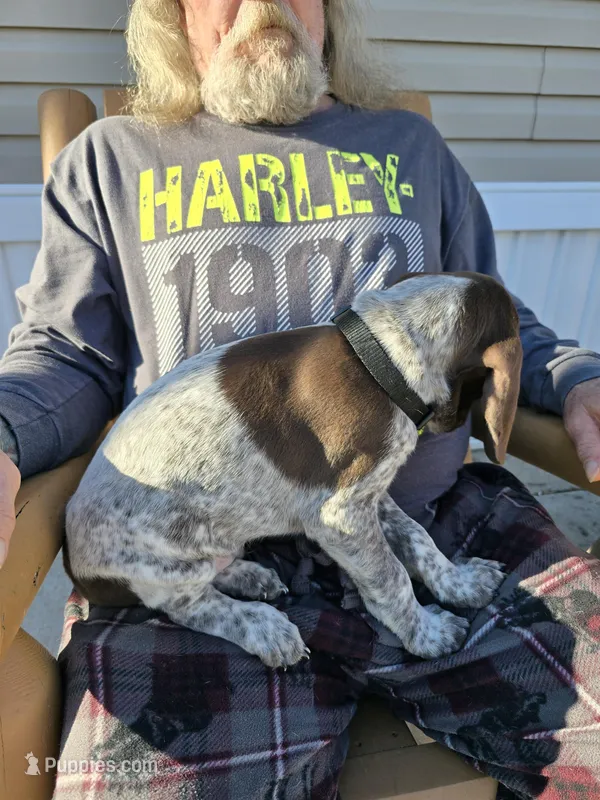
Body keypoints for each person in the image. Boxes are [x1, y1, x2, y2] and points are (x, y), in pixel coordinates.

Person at [1, 0, 600, 797]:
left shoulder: (410, 147)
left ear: (329, 16)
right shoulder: (110, 159)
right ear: (175, 17)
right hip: (207, 559)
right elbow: (67, 356)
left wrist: (577, 379)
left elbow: (498, 319)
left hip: (437, 523)